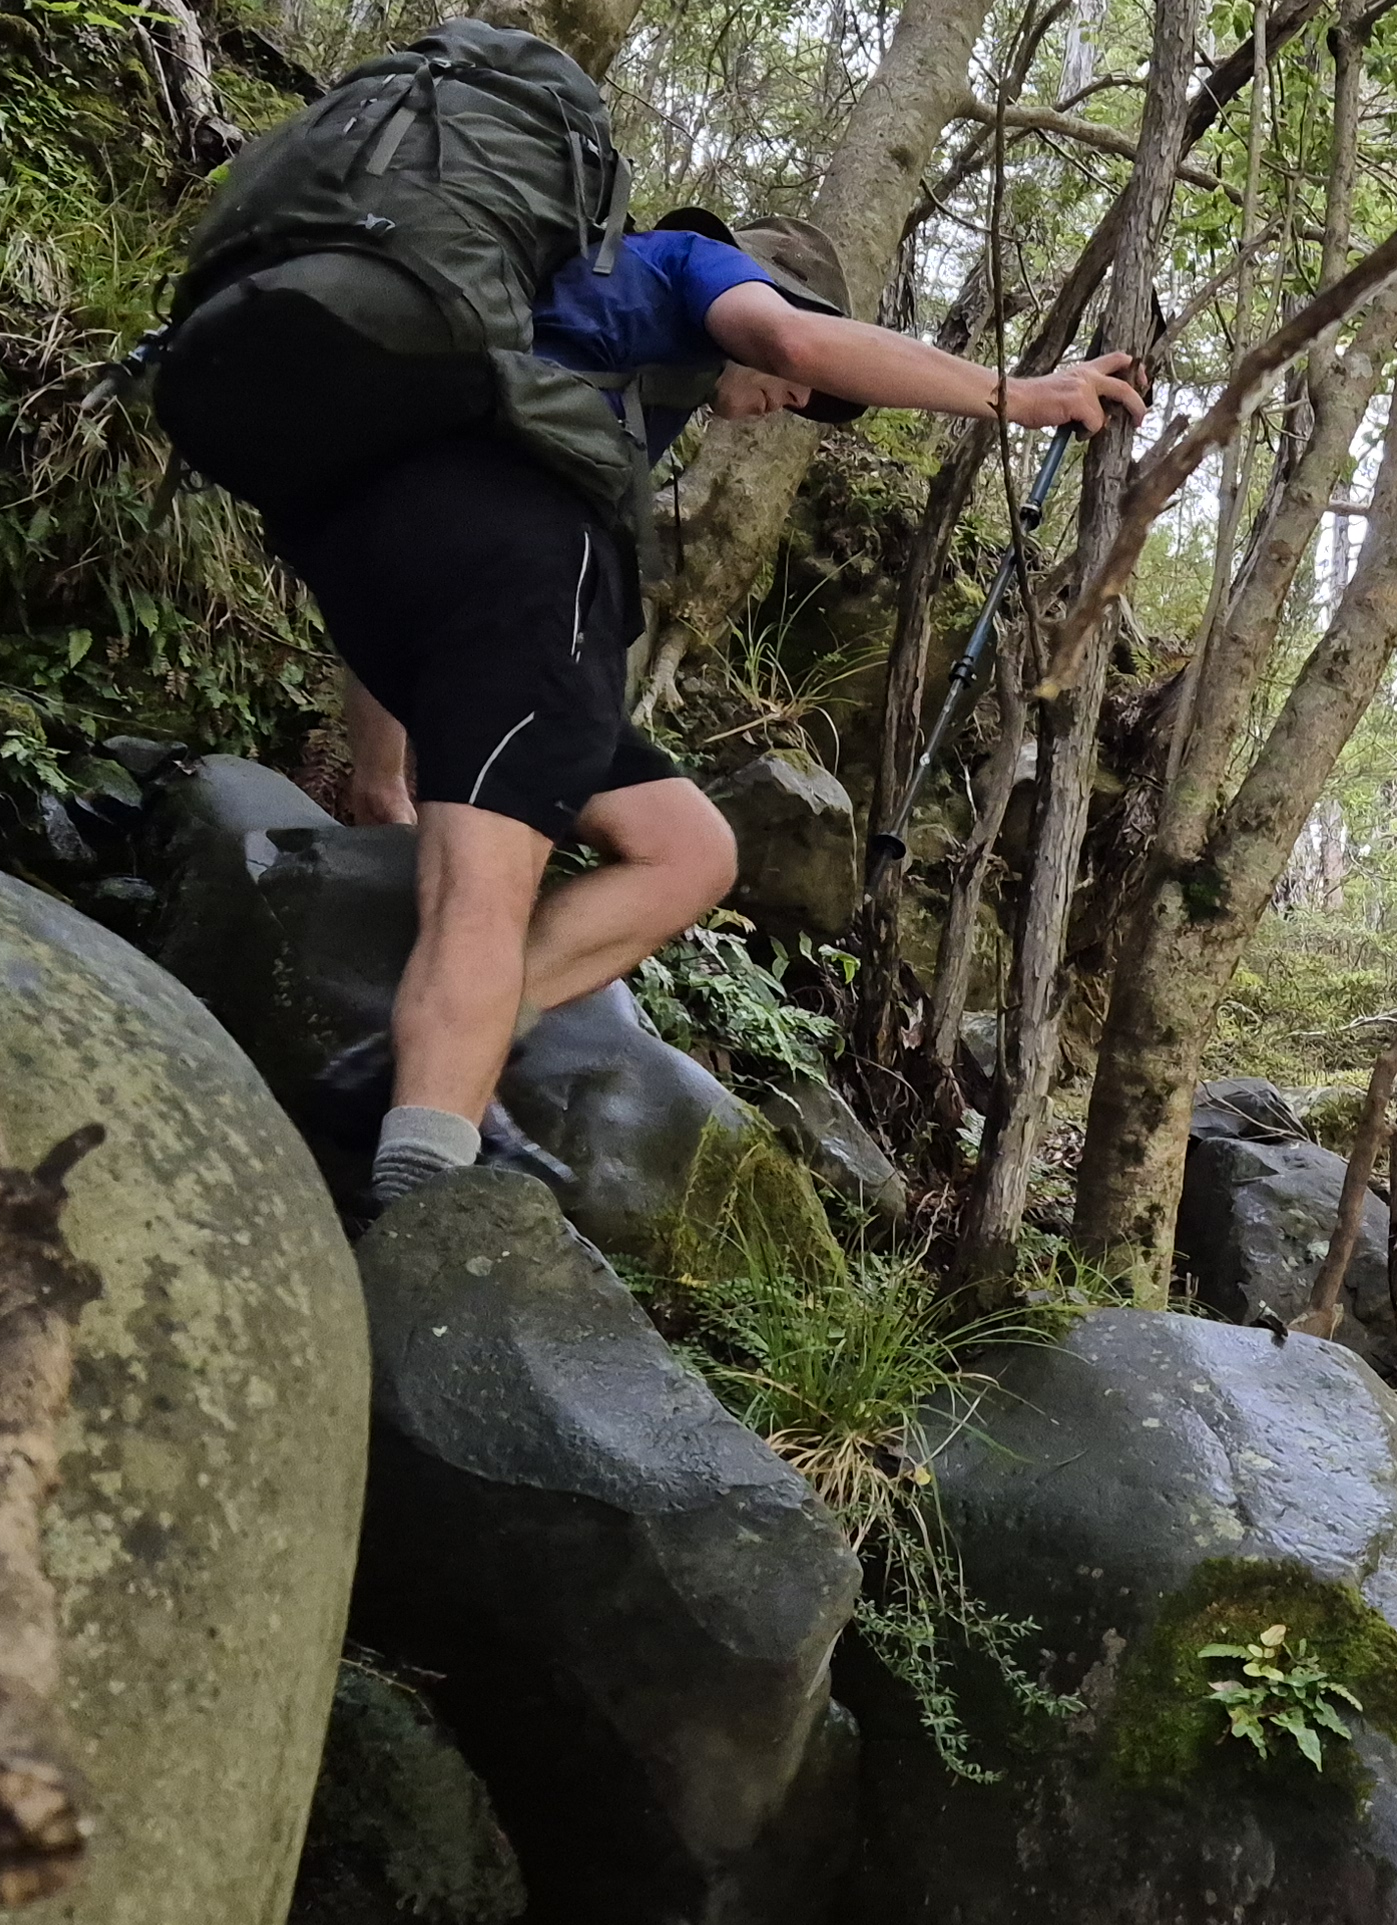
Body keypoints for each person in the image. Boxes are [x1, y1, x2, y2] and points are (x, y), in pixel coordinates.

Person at [276, 207, 1143, 1208]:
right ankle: (422, 1197)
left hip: (381, 561)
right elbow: (794, 339)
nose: (795, 396)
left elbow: (411, 595)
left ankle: (430, 1045)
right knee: (486, 887)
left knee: (688, 848)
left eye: (809, 398)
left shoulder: (554, 356)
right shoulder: (687, 265)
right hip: (516, 581)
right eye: (800, 391)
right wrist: (1024, 397)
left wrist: (381, 779)